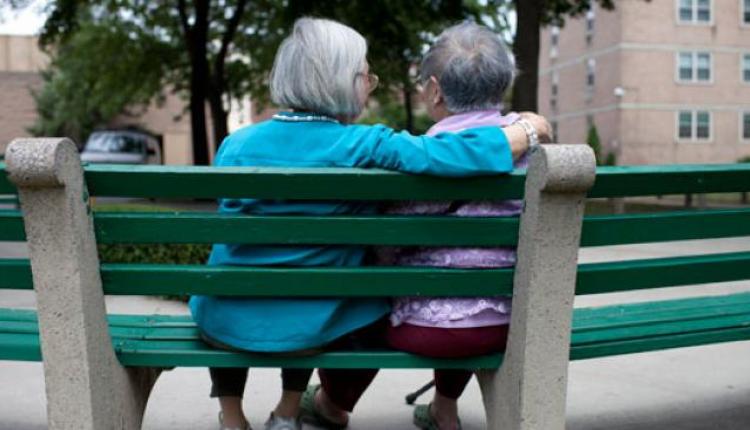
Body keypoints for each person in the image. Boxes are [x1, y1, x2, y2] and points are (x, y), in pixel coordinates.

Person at [188, 17, 549, 430]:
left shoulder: (236, 145)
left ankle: (232, 417)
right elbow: (448, 155)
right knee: (328, 293)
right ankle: (287, 412)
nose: (370, 83)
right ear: (338, 81)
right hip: (314, 325)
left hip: (225, 319)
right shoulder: (365, 143)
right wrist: (525, 129)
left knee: (233, 280)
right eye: (366, 75)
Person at [376, 22, 540, 430]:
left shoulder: (422, 156)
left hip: (423, 330)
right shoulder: (533, 150)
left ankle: (331, 403)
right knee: (470, 289)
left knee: (371, 301)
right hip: (506, 324)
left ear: (435, 90)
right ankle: (443, 409)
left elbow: (387, 245)